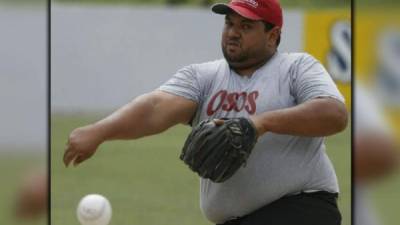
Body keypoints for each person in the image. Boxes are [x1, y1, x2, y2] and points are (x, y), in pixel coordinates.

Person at [63, 0, 348, 224]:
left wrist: (260, 123)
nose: (233, 32)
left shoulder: (297, 68)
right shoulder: (204, 77)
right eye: (229, 23)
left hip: (301, 209)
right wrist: (98, 131)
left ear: (273, 36)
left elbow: (334, 114)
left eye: (246, 26)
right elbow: (155, 107)